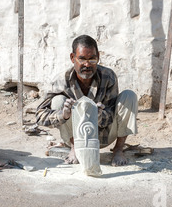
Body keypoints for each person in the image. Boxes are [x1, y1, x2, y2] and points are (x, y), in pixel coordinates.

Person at [36, 35, 138, 166]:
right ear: (73, 58)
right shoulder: (61, 81)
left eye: (92, 59)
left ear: (98, 57)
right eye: (82, 59)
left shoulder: (108, 77)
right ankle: (74, 149)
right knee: (58, 101)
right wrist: (63, 114)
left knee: (129, 96)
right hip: (76, 137)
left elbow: (112, 114)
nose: (87, 64)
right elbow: (39, 116)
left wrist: (100, 115)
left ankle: (118, 150)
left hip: (104, 136)